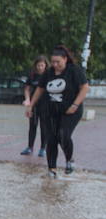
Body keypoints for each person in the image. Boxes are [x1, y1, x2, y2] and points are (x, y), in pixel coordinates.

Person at [26, 45, 90, 177]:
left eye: (58, 62)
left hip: (71, 111)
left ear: (65, 59)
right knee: (51, 138)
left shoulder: (74, 70)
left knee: (63, 135)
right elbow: (40, 89)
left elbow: (84, 88)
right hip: (51, 110)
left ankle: (69, 159)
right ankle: (52, 169)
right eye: (53, 62)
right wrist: (30, 105)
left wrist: (75, 105)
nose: (55, 65)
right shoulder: (49, 72)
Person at [21, 55, 48, 157]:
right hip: (34, 104)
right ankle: (30, 147)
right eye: (38, 65)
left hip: (45, 105)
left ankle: (43, 148)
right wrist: (27, 99)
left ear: (45, 66)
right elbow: (27, 89)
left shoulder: (49, 75)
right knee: (32, 125)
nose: (40, 67)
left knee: (44, 127)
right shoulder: (32, 76)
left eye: (42, 65)